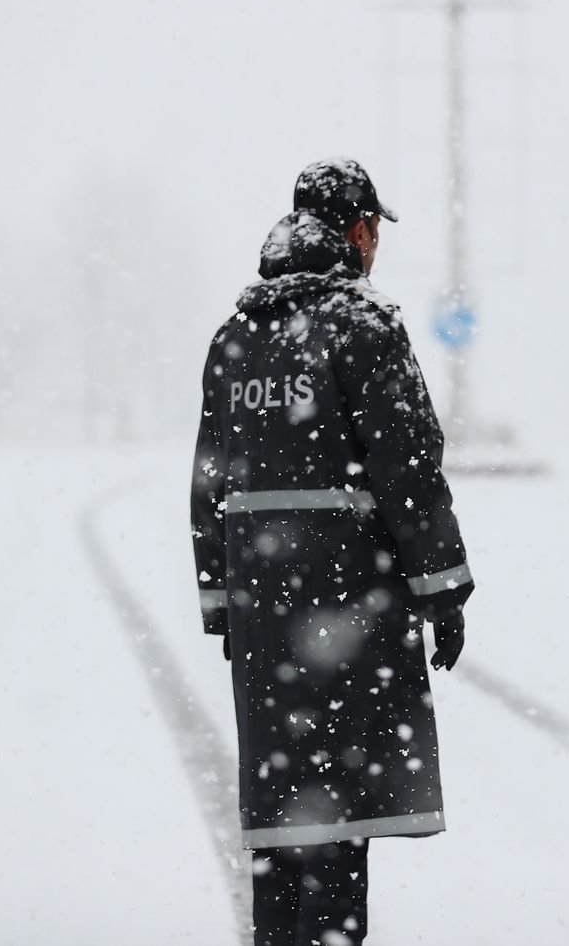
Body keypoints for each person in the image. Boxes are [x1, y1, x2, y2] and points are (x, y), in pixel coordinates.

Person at [190, 158, 474, 946]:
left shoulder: (235, 338)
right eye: (374, 227)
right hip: (346, 609)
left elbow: (209, 475)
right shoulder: (364, 326)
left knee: (280, 825)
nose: (375, 243)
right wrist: (443, 589)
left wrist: (222, 599)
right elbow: (408, 467)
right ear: (356, 231)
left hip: (263, 619)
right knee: (339, 823)